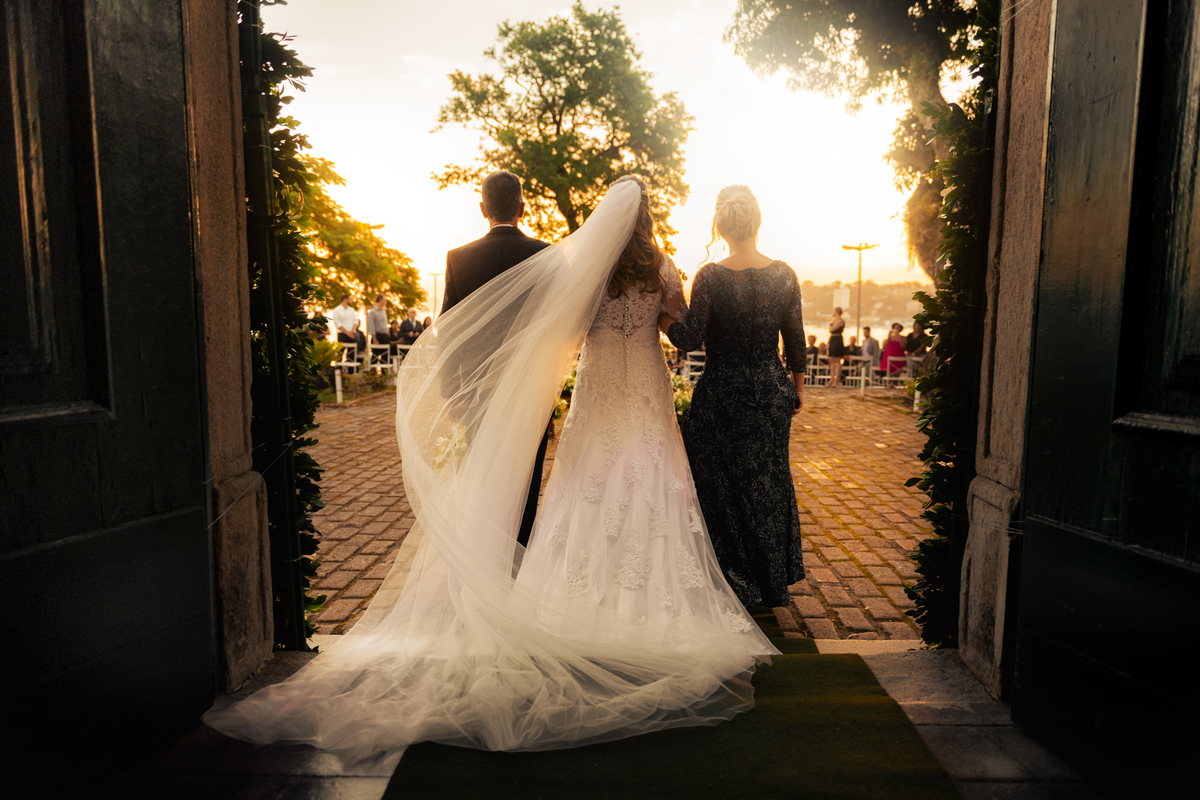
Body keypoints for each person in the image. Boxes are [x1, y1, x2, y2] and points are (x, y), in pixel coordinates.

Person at [204, 177, 772, 759]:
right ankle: (650, 597)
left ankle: (561, 594)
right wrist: (666, 315)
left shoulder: (592, 267)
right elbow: (679, 333)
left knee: (587, 482)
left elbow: (567, 332)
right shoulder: (665, 267)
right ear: (648, 215)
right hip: (645, 387)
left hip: (601, 388)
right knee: (653, 480)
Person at [662, 184, 806, 609]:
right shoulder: (784, 274)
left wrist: (660, 314)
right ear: (756, 222)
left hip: (722, 394)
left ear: (721, 227)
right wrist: (796, 391)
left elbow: (687, 340)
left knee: (717, 487)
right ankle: (769, 583)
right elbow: (795, 340)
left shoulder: (710, 277)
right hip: (770, 392)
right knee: (767, 483)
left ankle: (733, 580)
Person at [441, 170, 551, 548]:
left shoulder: (459, 259)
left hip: (477, 391)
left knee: (485, 471)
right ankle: (518, 557)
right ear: (523, 206)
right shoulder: (547, 255)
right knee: (528, 477)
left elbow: (448, 332)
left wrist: (451, 390)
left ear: (483, 208)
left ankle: (485, 553)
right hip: (530, 390)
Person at [365, 294, 391, 361]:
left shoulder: (383, 311)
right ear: (381, 300)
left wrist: (387, 332)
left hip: (384, 336)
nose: (386, 301)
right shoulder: (372, 312)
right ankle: (372, 370)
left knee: (385, 356)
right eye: (384, 300)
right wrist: (374, 337)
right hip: (377, 335)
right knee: (375, 356)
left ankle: (384, 371)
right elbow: (371, 325)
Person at [826, 306, 846, 387]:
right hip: (833, 339)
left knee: (837, 360)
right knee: (831, 359)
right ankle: (831, 379)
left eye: (834, 311)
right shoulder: (834, 321)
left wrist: (830, 326)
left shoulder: (840, 321)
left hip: (838, 340)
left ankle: (836, 380)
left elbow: (832, 329)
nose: (832, 313)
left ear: (837, 312)